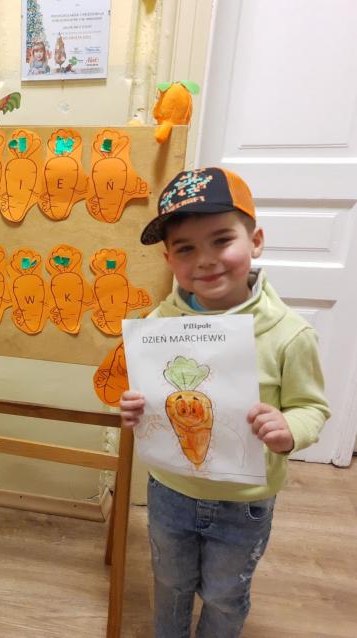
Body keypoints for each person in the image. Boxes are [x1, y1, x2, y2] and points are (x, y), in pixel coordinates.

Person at [120, 167, 329, 637]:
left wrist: (290, 429)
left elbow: (312, 407)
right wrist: (136, 407)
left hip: (244, 502)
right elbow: (155, 398)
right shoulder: (157, 324)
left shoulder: (289, 334)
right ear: (169, 259)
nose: (206, 260)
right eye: (186, 248)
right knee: (170, 583)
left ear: (255, 241)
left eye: (221, 240)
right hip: (170, 490)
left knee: (224, 595)